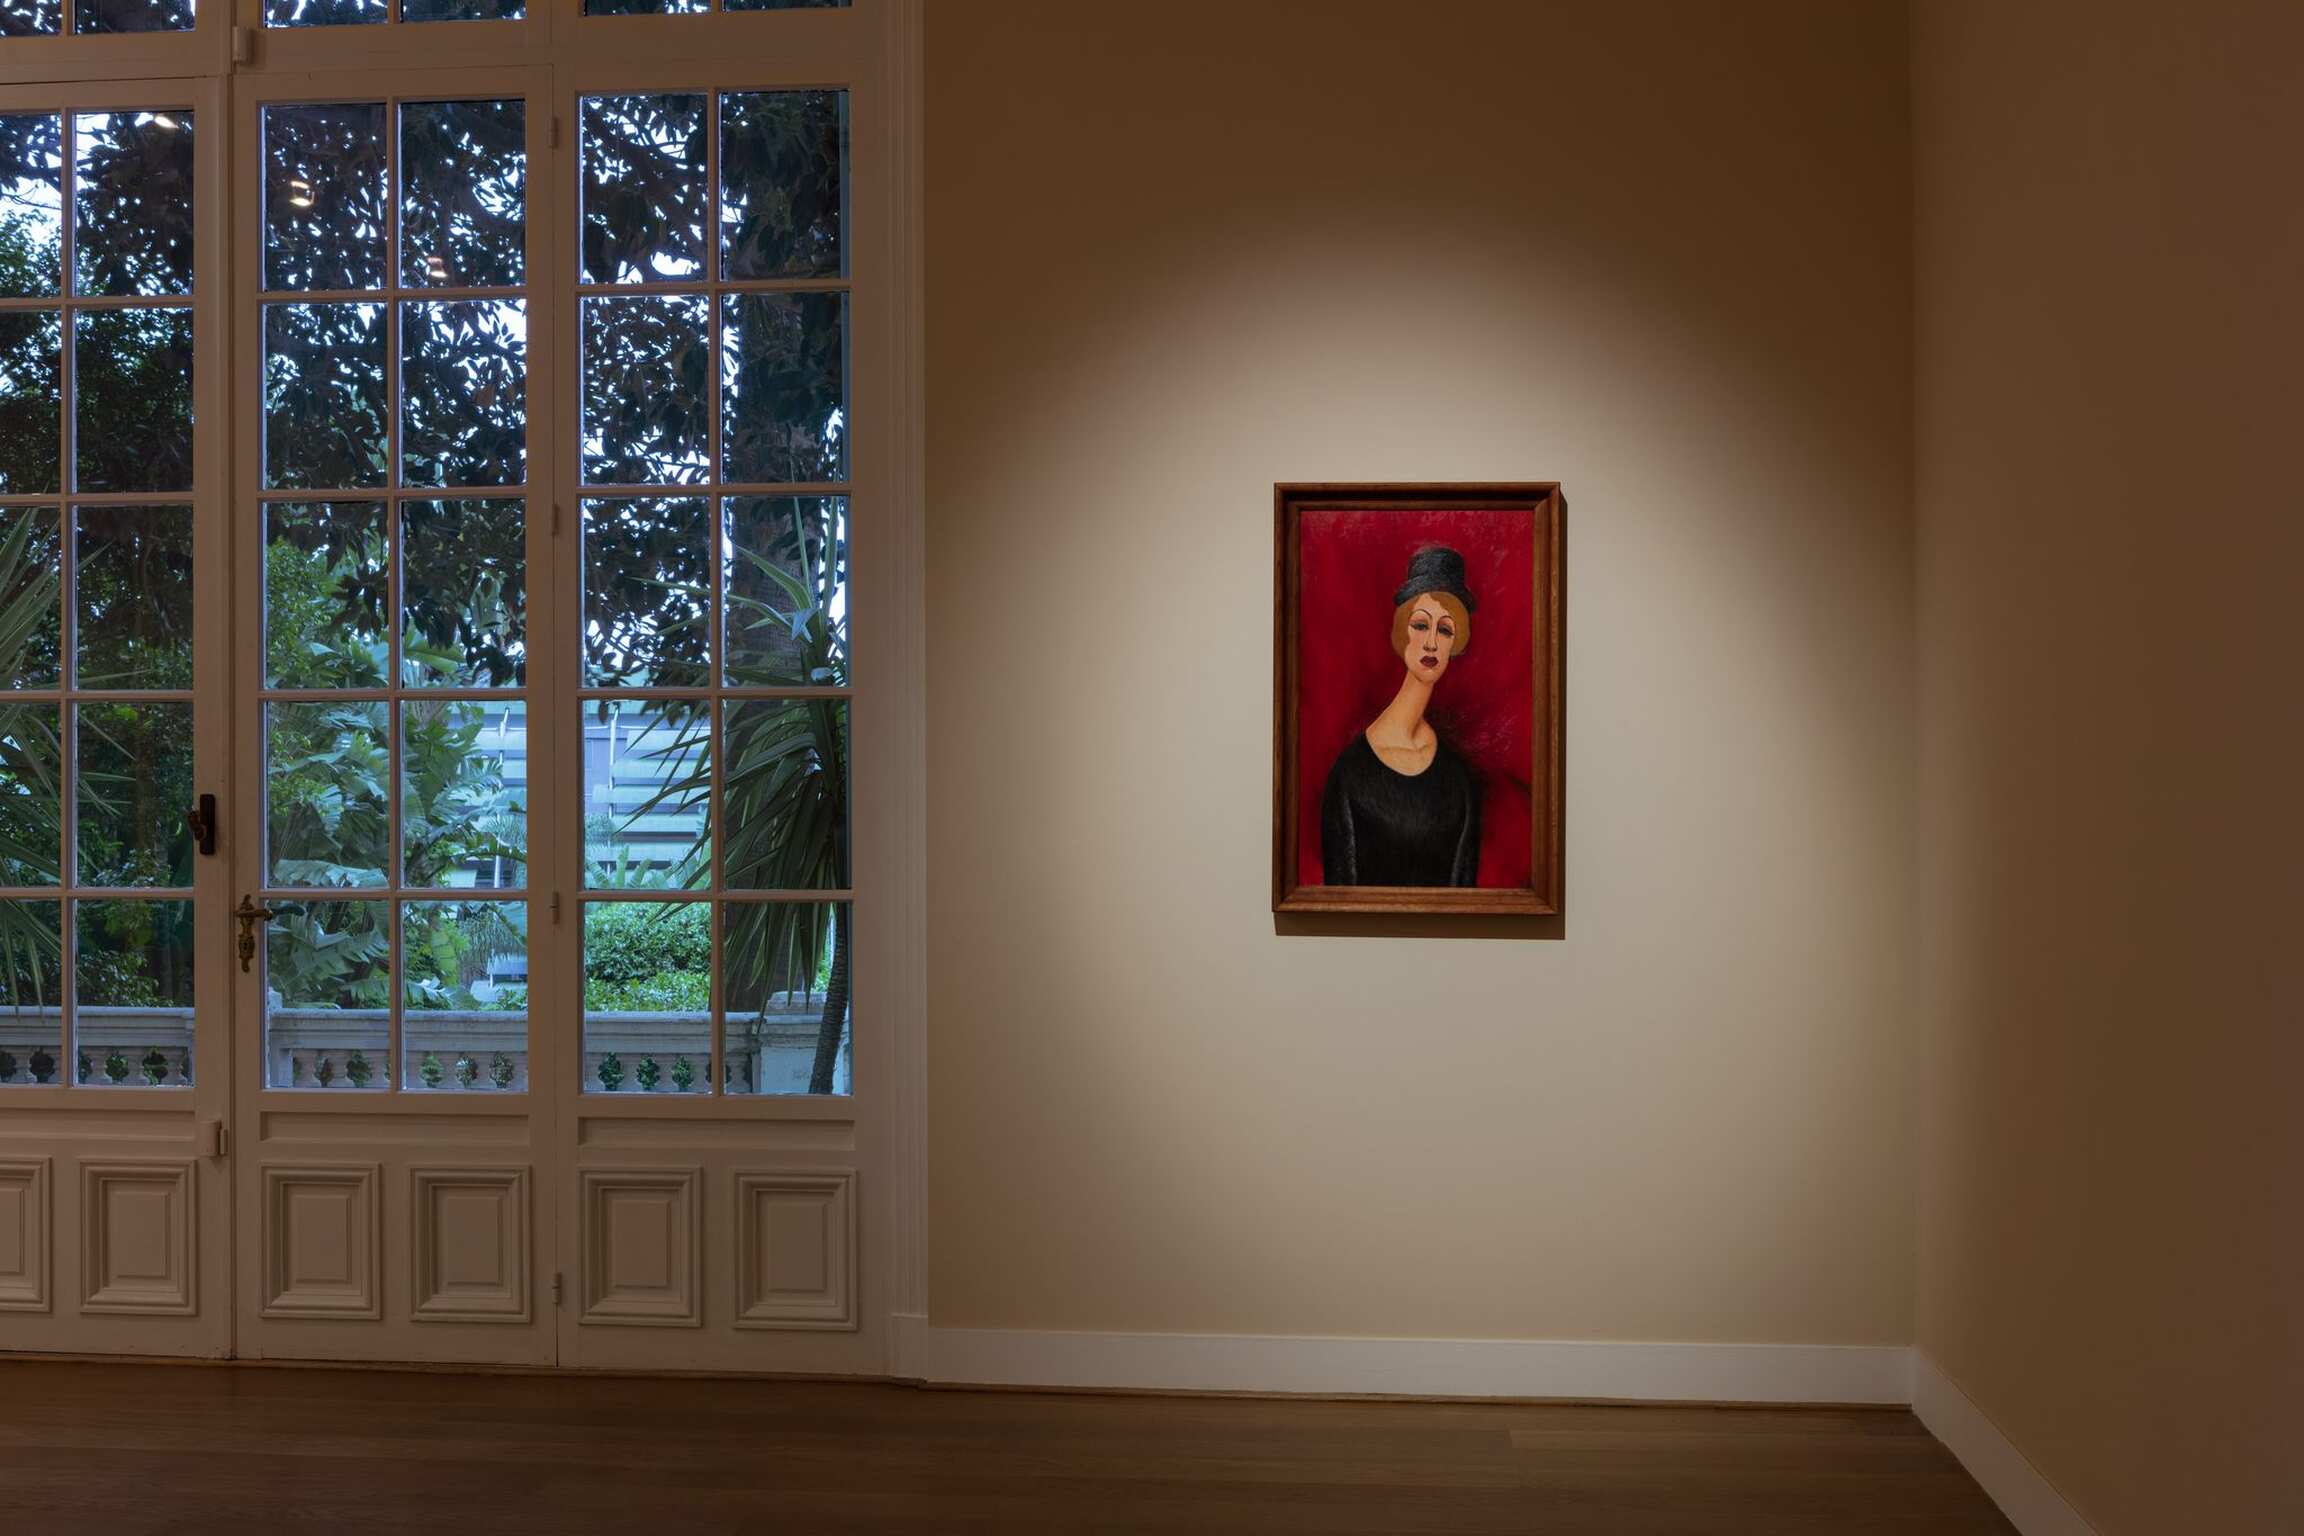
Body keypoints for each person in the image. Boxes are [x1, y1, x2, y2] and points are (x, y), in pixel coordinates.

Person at [1319, 545, 1483, 886]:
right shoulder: (1350, 774)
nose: (1431, 643)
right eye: (1421, 625)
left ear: (1455, 644)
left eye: (1445, 630)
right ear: (1402, 631)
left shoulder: (1459, 781)